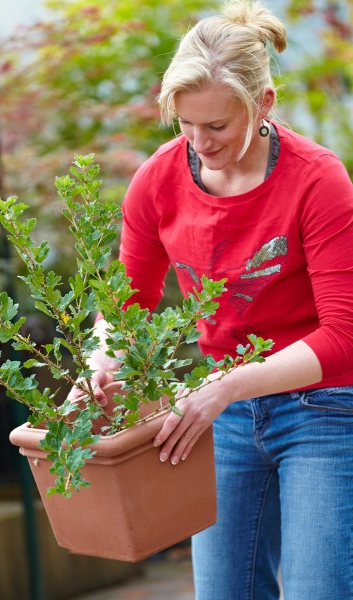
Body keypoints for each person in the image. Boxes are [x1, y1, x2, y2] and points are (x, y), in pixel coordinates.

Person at [70, 1, 353, 598]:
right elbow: (126, 307)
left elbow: (344, 336)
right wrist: (99, 366)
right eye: (185, 124)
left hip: (324, 411)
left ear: (264, 105)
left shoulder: (317, 180)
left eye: (217, 126)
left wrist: (224, 384)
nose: (199, 143)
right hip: (221, 412)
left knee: (316, 590)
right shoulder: (157, 180)